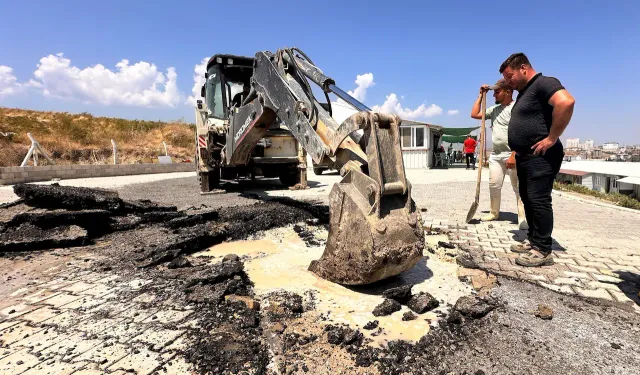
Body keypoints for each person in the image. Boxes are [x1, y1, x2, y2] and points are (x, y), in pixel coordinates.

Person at [500, 52, 575, 267]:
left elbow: (566, 102)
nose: (508, 81)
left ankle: (542, 249)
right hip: (526, 156)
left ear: (524, 68)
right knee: (527, 197)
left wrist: (552, 138)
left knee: (538, 200)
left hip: (541, 156)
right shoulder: (524, 91)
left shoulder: (544, 83)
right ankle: (533, 240)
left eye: (510, 76)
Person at [470, 79, 527, 229]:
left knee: (518, 187)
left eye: (497, 91)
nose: (494, 94)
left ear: (508, 91)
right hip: (496, 155)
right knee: (494, 185)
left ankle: (522, 217)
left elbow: (522, 133)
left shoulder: (517, 108)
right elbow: (474, 114)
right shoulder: (494, 109)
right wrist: (481, 95)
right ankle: (494, 213)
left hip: (513, 153)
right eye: (494, 91)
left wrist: (514, 154)